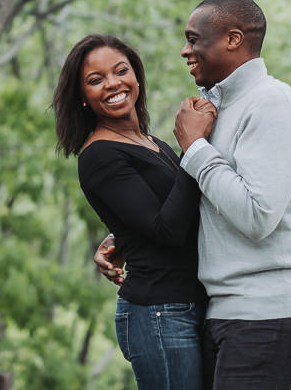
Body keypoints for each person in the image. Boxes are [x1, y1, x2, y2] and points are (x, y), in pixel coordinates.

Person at [97, 0, 291, 389]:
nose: (184, 50)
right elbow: (216, 200)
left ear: (233, 39)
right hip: (227, 308)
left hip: (270, 309)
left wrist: (196, 148)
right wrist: (128, 235)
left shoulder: (271, 104)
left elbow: (257, 216)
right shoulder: (215, 107)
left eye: (194, 39)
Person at [53, 34, 215, 390]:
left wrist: (119, 237)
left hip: (189, 304)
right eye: (95, 80)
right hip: (160, 313)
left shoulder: (151, 142)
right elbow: (167, 229)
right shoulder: (99, 155)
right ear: (82, 97)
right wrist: (193, 148)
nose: (112, 83)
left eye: (120, 71)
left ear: (136, 77)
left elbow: (168, 209)